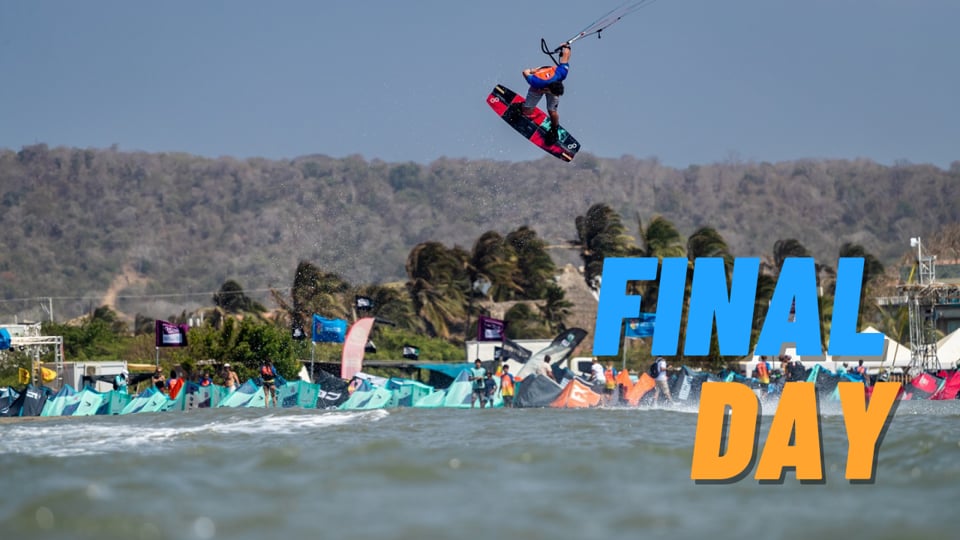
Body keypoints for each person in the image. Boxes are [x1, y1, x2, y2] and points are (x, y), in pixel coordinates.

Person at [511, 42, 571, 145]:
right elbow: (525, 72)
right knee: (528, 112)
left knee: (553, 111)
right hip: (538, 83)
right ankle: (519, 107)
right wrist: (533, 70)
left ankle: (554, 130)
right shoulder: (536, 81)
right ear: (548, 89)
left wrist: (566, 46)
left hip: (551, 80)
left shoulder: (562, 73)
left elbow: (566, 54)